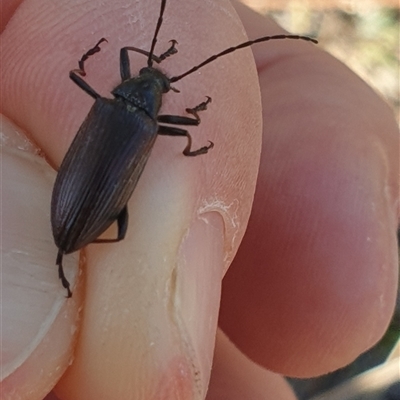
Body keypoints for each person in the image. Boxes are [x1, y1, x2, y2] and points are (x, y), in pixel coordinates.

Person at [1, 1, 398, 399]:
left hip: (64, 202)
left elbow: (91, 70)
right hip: (75, 213)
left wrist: (95, 60)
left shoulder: (108, 106)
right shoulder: (149, 127)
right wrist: (190, 143)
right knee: (122, 231)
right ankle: (77, 260)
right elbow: (187, 124)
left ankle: (67, 258)